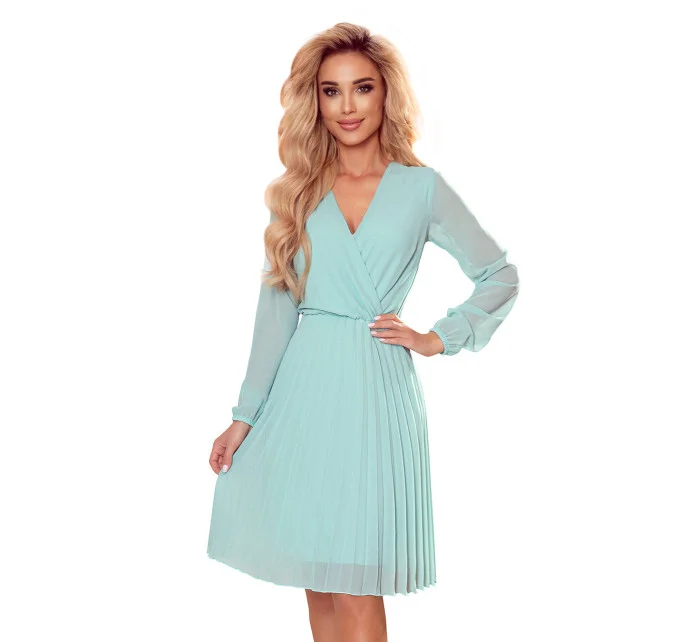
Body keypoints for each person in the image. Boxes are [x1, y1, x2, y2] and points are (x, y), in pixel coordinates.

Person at [207, 22, 520, 642]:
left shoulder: (421, 188)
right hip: (302, 395)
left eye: (362, 87)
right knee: (320, 581)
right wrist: (244, 417)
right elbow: (275, 315)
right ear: (315, 101)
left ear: (386, 94)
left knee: (356, 583)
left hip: (377, 395)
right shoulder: (297, 193)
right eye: (331, 90)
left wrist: (439, 336)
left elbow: (499, 274)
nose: (347, 106)